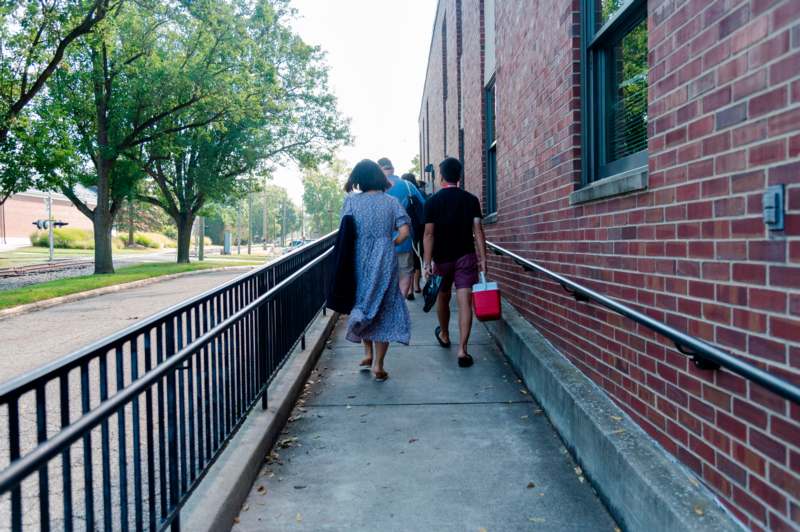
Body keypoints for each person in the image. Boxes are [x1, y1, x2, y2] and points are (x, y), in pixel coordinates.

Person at [342, 159, 412, 381]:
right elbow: (405, 231)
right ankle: (378, 364)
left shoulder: (351, 202)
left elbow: (345, 231)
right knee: (384, 305)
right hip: (385, 258)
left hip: (359, 257)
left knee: (364, 300)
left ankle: (368, 352)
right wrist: (390, 242)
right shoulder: (391, 202)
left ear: (359, 179)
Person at [422, 157, 487, 368]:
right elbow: (478, 231)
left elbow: (429, 234)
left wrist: (426, 263)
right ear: (459, 176)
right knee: (465, 302)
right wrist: (483, 259)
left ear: (441, 176)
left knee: (443, 296)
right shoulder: (471, 200)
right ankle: (463, 350)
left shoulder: (432, 202)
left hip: (442, 259)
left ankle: (445, 334)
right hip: (466, 256)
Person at [377, 157, 426, 300]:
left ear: (379, 169)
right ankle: (399, 305)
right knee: (405, 273)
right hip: (404, 240)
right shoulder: (408, 185)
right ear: (392, 168)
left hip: (381, 243)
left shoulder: (373, 188)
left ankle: (387, 308)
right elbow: (423, 207)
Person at [401, 172, 424, 297]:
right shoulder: (419, 193)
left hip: (406, 229)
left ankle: (409, 289)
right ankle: (416, 286)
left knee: (409, 259)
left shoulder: (402, 193)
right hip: (419, 228)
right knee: (417, 256)